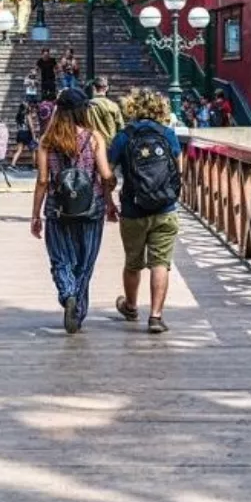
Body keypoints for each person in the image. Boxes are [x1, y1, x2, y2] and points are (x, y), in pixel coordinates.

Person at [31, 88, 117, 334]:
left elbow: (42, 181)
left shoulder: (47, 141)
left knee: (60, 258)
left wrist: (35, 215)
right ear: (82, 110)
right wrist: (110, 200)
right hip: (91, 207)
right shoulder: (94, 137)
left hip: (57, 208)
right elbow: (105, 176)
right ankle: (77, 309)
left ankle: (67, 293)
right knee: (84, 261)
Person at [110, 89, 183, 334]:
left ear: (131, 108)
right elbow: (179, 169)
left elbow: (108, 174)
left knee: (133, 262)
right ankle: (156, 316)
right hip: (165, 207)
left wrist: (109, 202)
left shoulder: (124, 136)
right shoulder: (168, 134)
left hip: (133, 208)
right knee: (160, 263)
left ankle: (130, 307)